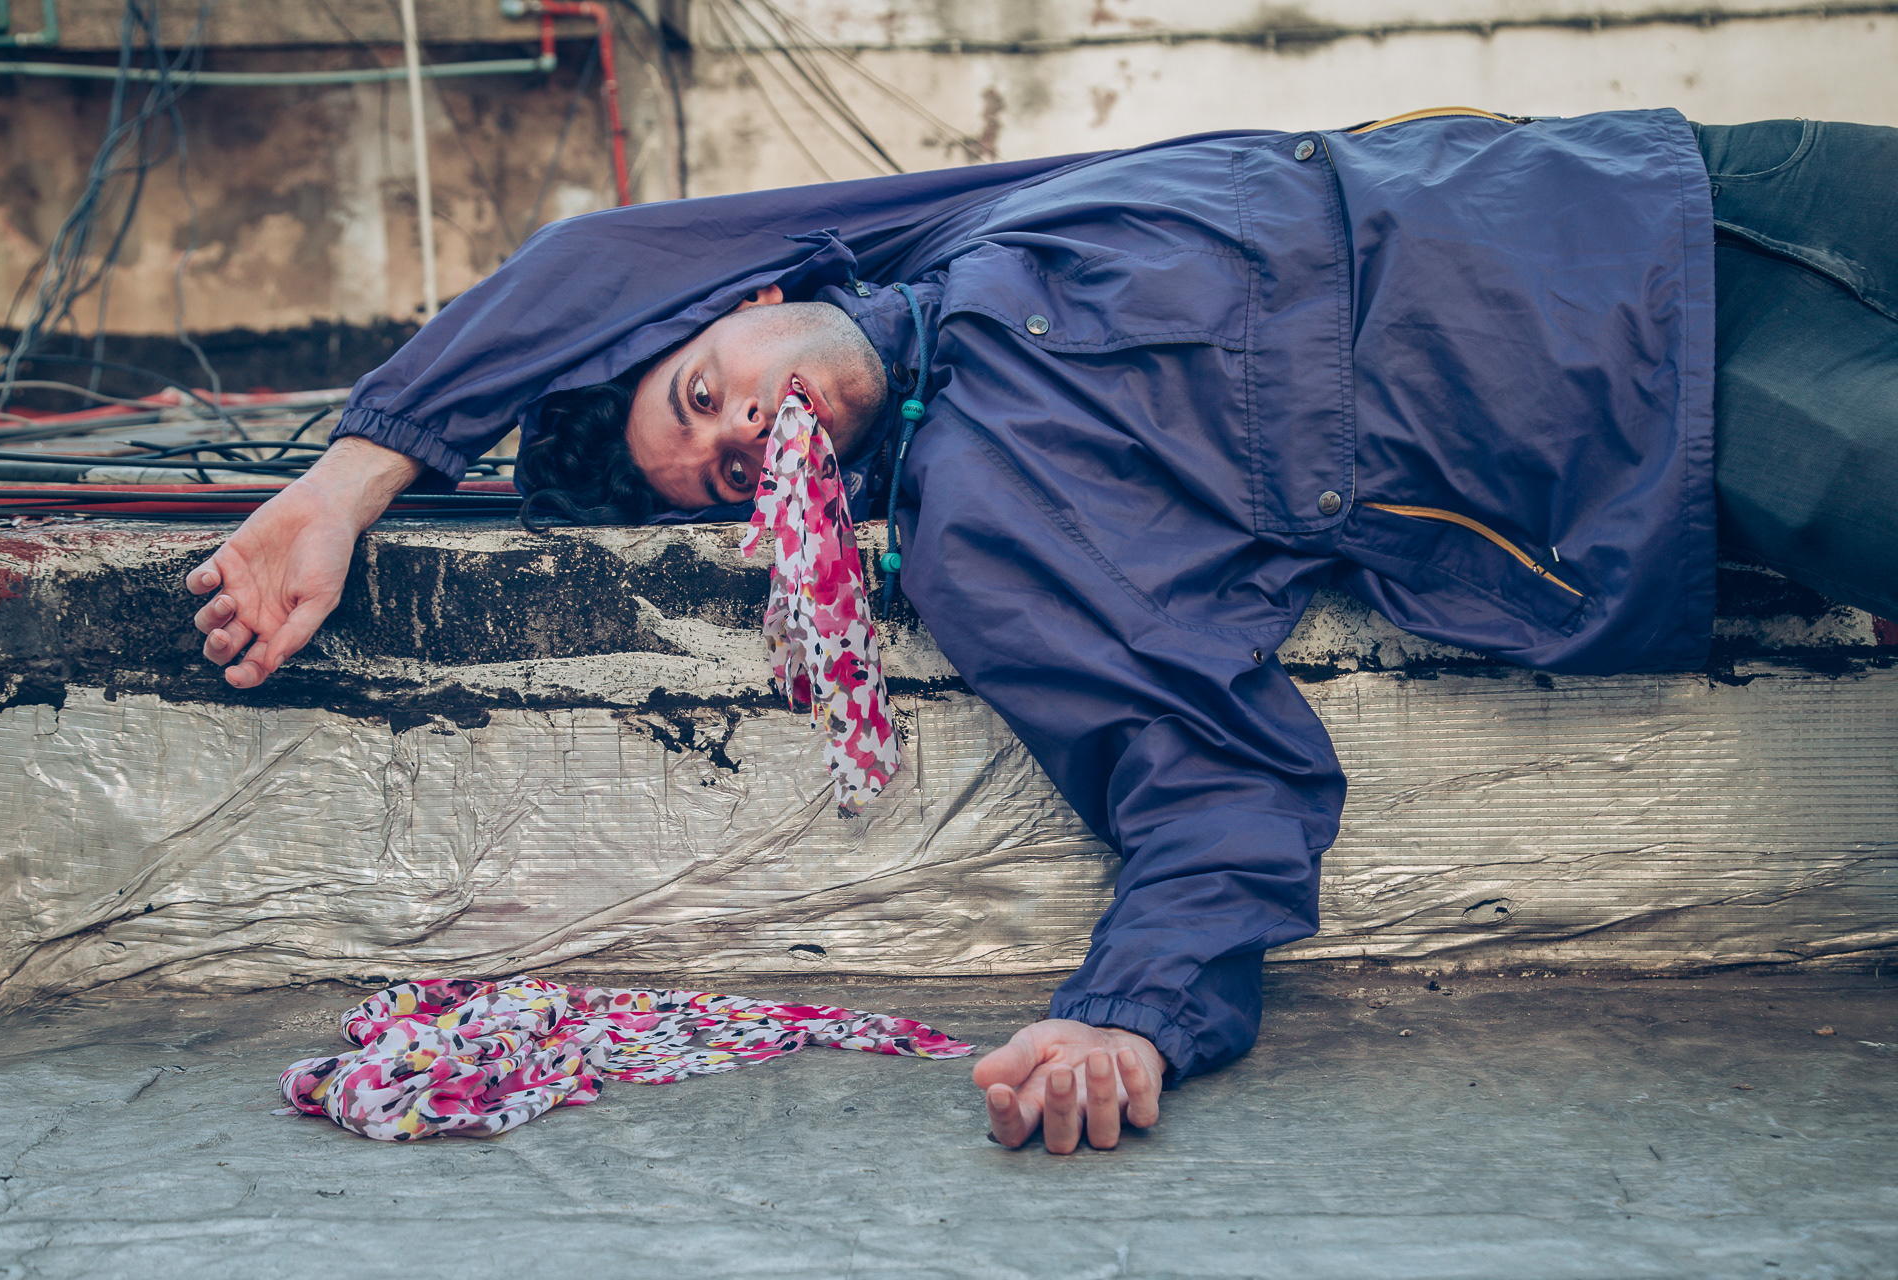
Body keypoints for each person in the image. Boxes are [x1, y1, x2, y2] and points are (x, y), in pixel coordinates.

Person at [187, 108, 1897, 1155]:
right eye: (719, 474)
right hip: (1678, 396)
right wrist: (1129, 1021)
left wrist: (345, 487)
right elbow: (1202, 778)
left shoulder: (931, 233)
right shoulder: (994, 526)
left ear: (749, 307)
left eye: (707, 391)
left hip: (1697, 176)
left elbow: (595, 258)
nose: (740, 433)